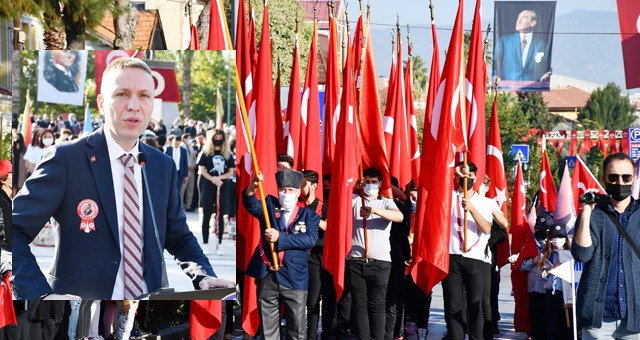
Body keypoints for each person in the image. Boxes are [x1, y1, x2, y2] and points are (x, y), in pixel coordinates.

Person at [12, 57, 234, 300]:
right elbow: (12, 230)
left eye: (144, 95)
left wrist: (203, 275)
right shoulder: (66, 159)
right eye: (122, 94)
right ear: (101, 102)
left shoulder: (162, 165)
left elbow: (178, 235)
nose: (133, 105)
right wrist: (40, 295)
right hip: (78, 313)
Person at [243, 169, 319, 340]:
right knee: (268, 330)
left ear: (298, 192)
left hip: (295, 277)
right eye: (283, 189)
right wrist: (252, 187)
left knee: (297, 329)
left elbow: (309, 240)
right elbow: (250, 204)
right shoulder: (269, 205)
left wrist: (280, 237)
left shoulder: (309, 216)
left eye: (290, 190)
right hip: (268, 275)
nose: (286, 193)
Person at [572, 152, 640, 339]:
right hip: (597, 317)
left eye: (626, 177)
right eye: (613, 177)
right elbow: (582, 255)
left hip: (636, 318)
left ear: (633, 179)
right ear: (604, 179)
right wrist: (586, 211)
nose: (620, 182)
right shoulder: (594, 215)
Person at [348, 167, 404, 340]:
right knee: (359, 305)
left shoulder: (385, 202)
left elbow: (399, 217)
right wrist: (353, 188)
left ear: (380, 184)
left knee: (377, 304)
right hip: (356, 259)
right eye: (367, 182)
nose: (370, 185)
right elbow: (340, 204)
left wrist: (374, 210)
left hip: (380, 262)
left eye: (374, 182)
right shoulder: (355, 200)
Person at [442, 161, 495, 340]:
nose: (466, 179)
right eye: (461, 176)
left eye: (469, 176)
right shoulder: (447, 198)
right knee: (453, 304)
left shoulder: (484, 202)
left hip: (475, 259)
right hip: (452, 256)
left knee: (475, 304)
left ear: (475, 177)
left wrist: (472, 210)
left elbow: (487, 228)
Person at [514, 210, 554, 340]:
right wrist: (533, 261)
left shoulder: (555, 244)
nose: (541, 232)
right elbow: (519, 266)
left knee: (549, 318)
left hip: (550, 287)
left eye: (545, 230)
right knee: (536, 317)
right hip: (534, 288)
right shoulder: (529, 244)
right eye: (539, 229)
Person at [301, 170, 329, 340]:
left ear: (313, 186)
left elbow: (329, 227)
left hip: (317, 258)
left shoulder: (323, 206)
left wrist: (311, 218)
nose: (299, 187)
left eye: (302, 183)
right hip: (298, 258)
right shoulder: (296, 205)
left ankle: (313, 335)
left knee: (313, 302)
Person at [197, 129, 234, 255]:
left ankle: (220, 244)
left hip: (223, 187)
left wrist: (220, 178)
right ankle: (205, 243)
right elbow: (202, 170)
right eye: (216, 136)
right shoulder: (206, 153)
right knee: (207, 215)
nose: (218, 138)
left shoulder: (227, 154)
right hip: (208, 187)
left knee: (221, 216)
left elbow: (231, 171)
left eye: (220, 136)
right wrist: (212, 179)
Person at [493, 9, 551, 83]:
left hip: (532, 88)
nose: (519, 20)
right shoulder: (504, 41)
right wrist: (495, 76)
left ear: (533, 23)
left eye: (524, 17)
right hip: (508, 88)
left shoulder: (541, 44)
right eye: (518, 18)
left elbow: (544, 67)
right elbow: (495, 62)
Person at [538, 224, 574, 339]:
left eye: (560, 237)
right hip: (552, 293)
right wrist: (555, 267)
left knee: (568, 326)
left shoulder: (571, 254)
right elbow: (542, 275)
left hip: (567, 294)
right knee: (552, 325)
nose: (556, 240)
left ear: (565, 239)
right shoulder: (546, 254)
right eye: (554, 237)